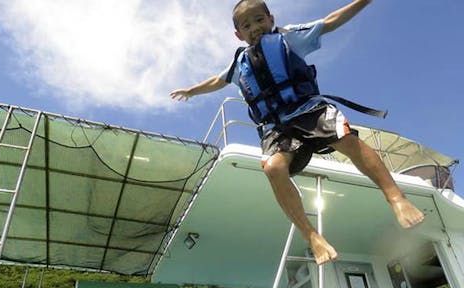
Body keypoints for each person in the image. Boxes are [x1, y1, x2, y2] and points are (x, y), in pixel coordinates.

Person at [170, 0, 424, 265]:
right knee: (273, 168)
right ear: (238, 34)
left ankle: (396, 198)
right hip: (276, 126)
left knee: (346, 140)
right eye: (246, 25)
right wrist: (191, 91)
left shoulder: (289, 39)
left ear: (270, 19)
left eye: (259, 20)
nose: (254, 27)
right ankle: (312, 236)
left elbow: (332, 21)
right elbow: (215, 81)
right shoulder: (239, 63)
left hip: (307, 109)